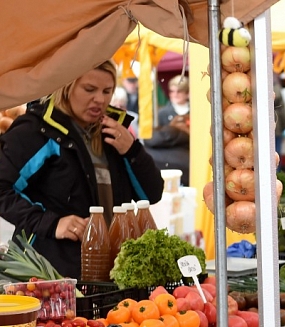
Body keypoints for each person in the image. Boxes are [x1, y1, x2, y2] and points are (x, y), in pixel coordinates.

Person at [0, 60, 163, 280]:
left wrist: (132, 150)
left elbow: (152, 194)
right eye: (89, 89)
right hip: (48, 273)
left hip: (108, 270)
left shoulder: (113, 132)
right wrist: (51, 223)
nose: (100, 99)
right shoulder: (37, 131)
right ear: (66, 87)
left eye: (107, 91)